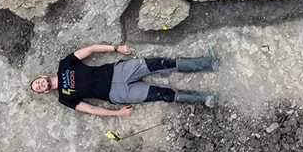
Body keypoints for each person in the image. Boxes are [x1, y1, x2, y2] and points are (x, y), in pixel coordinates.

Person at [30, 43, 217, 116]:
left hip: (119, 71)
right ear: (44, 91)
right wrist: (117, 113)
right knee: (162, 94)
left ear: (42, 77)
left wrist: (116, 48)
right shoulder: (64, 98)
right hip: (118, 93)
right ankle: (205, 98)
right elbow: (91, 109)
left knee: (161, 63)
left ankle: (206, 62)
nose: (39, 85)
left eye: (37, 82)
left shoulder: (64, 65)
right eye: (38, 88)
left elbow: (90, 49)